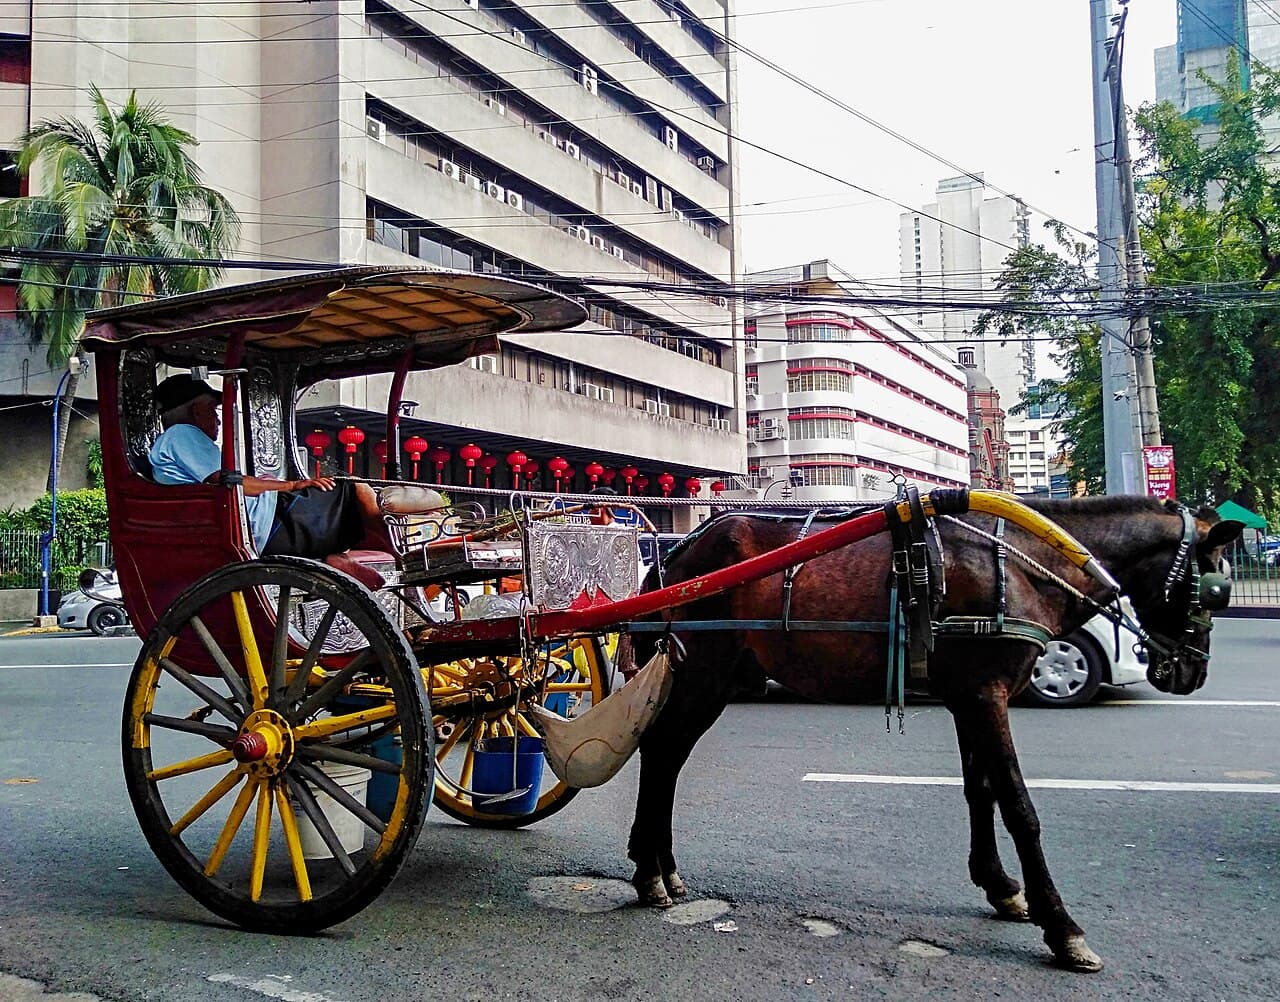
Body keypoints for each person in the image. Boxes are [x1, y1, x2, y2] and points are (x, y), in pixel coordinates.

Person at [148, 374, 393, 570]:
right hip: (266, 524)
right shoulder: (181, 434)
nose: (218, 420)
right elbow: (229, 482)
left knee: (345, 502)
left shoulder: (174, 442)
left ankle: (339, 554)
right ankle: (392, 552)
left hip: (262, 523)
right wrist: (290, 486)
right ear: (196, 411)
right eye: (213, 410)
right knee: (354, 487)